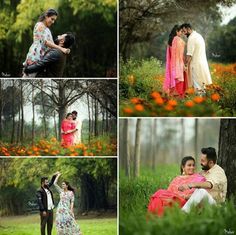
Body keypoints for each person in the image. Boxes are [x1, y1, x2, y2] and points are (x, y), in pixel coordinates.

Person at [23, 9, 70, 77]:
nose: (53, 22)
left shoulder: (47, 29)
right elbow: (46, 42)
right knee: (28, 79)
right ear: (46, 16)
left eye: (54, 20)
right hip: (35, 55)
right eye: (52, 19)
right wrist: (61, 49)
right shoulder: (40, 25)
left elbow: (52, 44)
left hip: (42, 57)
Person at [179, 147, 227, 213]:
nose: (200, 162)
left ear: (211, 162)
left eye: (203, 161)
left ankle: (182, 214)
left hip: (215, 205)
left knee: (201, 191)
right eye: (201, 160)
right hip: (202, 204)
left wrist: (190, 185)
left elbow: (209, 184)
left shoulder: (218, 172)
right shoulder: (203, 172)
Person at [180, 23, 212, 90]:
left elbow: (189, 54)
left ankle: (199, 100)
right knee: (203, 86)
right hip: (202, 64)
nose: (183, 33)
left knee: (198, 87)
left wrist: (185, 65)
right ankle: (202, 100)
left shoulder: (191, 38)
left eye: (184, 31)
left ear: (189, 29)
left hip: (196, 66)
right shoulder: (199, 36)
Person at [163, 25, 188, 98]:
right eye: (180, 31)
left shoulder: (170, 41)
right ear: (177, 31)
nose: (181, 33)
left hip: (171, 64)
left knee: (173, 80)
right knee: (179, 80)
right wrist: (184, 65)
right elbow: (179, 55)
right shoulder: (177, 39)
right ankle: (179, 97)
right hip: (178, 63)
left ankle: (172, 97)